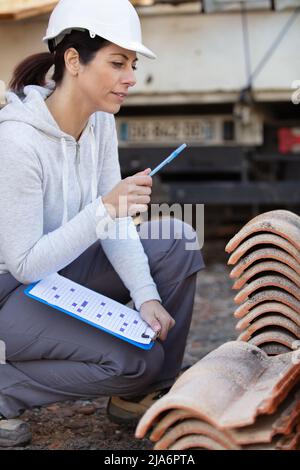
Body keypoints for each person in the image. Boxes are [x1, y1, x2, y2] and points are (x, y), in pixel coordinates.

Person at [0, 0, 204, 447]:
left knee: (177, 238)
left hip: (61, 273)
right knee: (131, 362)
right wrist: (104, 209)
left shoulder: (99, 124)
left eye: (131, 63)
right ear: (73, 61)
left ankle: (142, 394)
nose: (130, 76)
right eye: (117, 63)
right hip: (11, 296)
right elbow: (25, 265)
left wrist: (146, 296)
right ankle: (5, 390)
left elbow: (113, 226)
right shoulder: (16, 141)